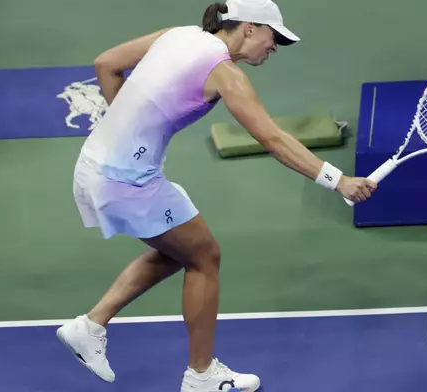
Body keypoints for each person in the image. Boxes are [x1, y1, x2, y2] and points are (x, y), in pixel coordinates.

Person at [56, 0, 377, 390]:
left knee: (185, 250)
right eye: (273, 37)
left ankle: (90, 327)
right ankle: (201, 376)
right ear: (249, 28)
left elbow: (105, 63)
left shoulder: (175, 35)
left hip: (95, 162)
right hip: (125, 180)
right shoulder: (225, 74)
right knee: (204, 257)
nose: (273, 47)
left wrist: (127, 127)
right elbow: (273, 139)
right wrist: (338, 180)